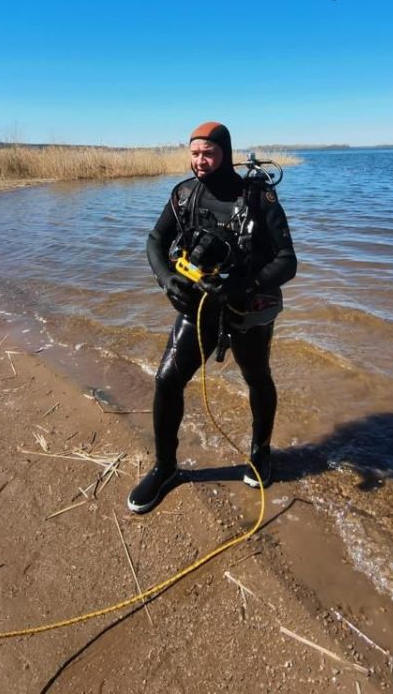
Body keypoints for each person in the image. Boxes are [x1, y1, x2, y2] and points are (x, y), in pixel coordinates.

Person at [127, 121, 297, 514]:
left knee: (257, 377)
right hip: (198, 308)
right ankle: (165, 468)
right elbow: (156, 240)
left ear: (225, 153)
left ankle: (261, 453)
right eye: (194, 153)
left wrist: (245, 285)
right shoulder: (184, 195)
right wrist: (167, 279)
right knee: (167, 380)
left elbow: (288, 261)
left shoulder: (257, 197)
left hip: (246, 308)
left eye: (208, 153)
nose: (200, 161)